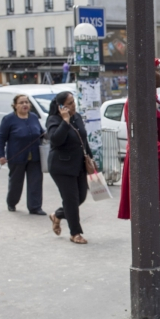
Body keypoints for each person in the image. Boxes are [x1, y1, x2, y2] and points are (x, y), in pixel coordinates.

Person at [118, 59, 160, 278]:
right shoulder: (134, 102)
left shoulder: (154, 99)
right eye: (158, 70)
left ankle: (159, 261)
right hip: (148, 169)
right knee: (149, 217)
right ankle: (154, 263)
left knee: (158, 217)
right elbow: (144, 142)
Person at [46, 91, 93, 244]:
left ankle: (57, 214)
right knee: (71, 200)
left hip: (78, 164)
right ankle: (75, 233)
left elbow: (83, 139)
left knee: (80, 197)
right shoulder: (53, 119)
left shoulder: (77, 117)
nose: (73, 105)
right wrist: (65, 121)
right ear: (61, 107)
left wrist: (90, 158)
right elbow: (55, 140)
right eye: (70, 103)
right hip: (61, 167)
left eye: (73, 102)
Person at [0, 94, 45, 215]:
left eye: (27, 102)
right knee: (16, 183)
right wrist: (1, 155)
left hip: (35, 157)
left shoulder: (33, 117)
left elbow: (41, 133)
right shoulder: (8, 119)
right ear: (15, 106)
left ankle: (35, 207)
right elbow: (1, 138)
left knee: (36, 182)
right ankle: (12, 202)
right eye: (21, 103)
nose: (25, 105)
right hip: (16, 157)